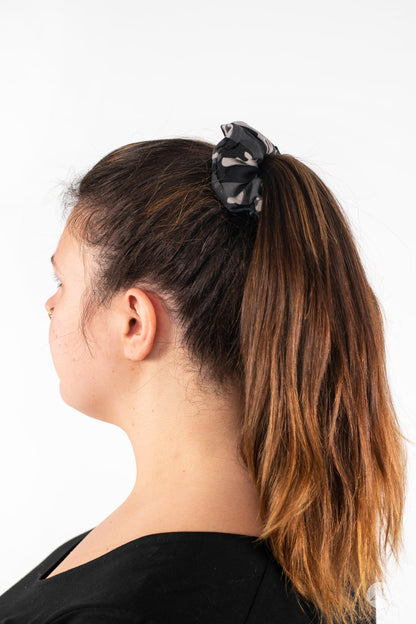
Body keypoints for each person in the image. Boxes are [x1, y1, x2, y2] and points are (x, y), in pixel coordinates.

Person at [0, 121, 407, 624]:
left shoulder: (128, 606)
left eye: (62, 281)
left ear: (134, 321)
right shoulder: (319, 578)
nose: (50, 303)